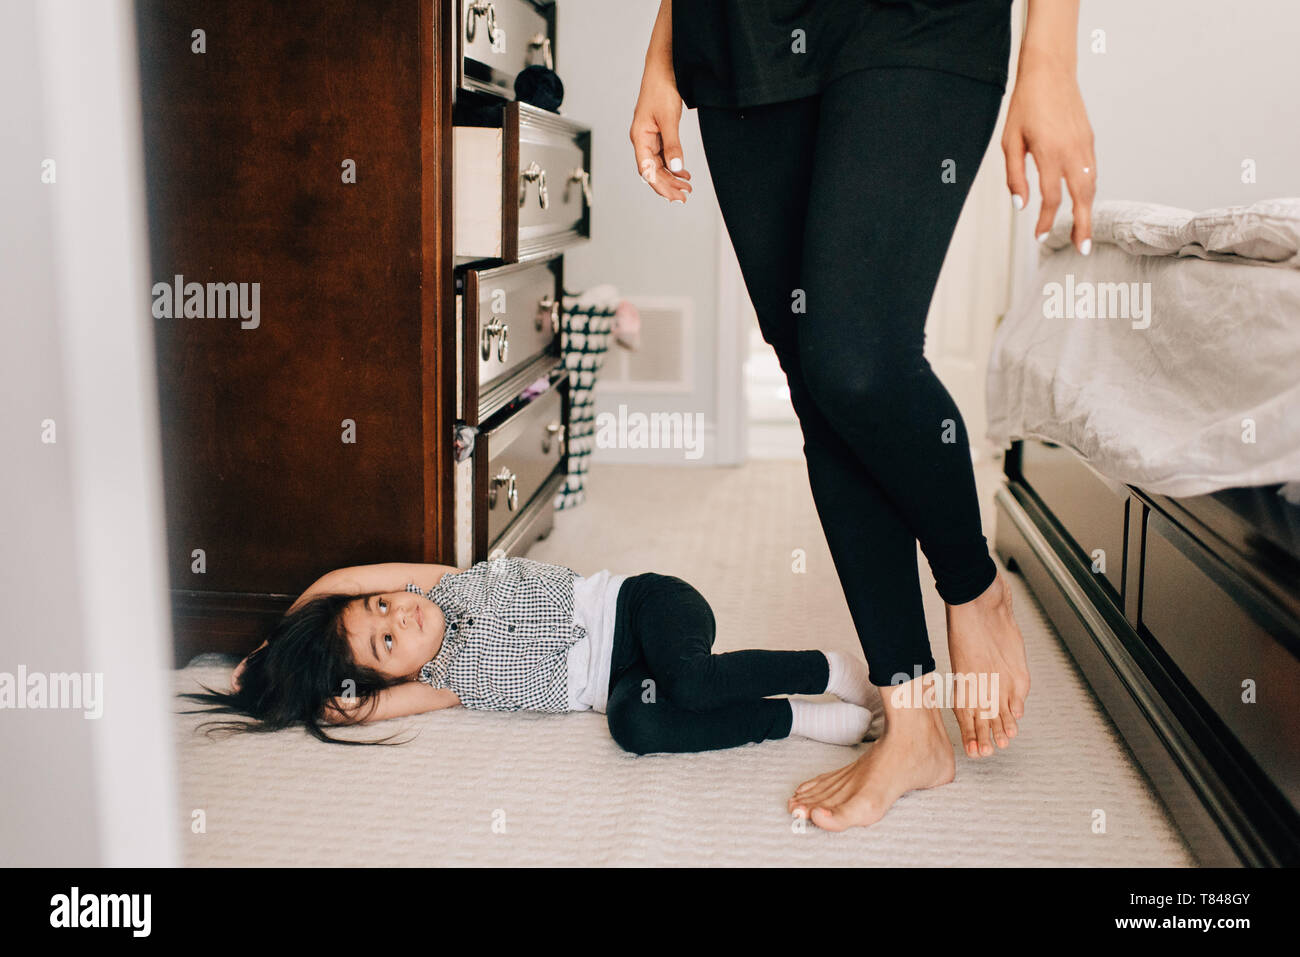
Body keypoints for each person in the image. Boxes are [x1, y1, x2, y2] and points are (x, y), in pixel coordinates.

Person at [629, 0, 1096, 829]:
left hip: (918, 19)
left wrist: (1050, 60)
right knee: (817, 383)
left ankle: (972, 582)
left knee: (855, 358)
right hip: (743, 31)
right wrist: (661, 54)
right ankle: (912, 723)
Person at [180, 556, 885, 753]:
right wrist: (291, 681)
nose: (398, 613)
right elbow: (353, 707)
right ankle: (792, 718)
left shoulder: (443, 586)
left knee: (693, 680)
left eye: (382, 606)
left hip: (648, 607)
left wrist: (278, 635)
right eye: (387, 641)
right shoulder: (448, 683)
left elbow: (342, 585)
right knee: (638, 727)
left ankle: (831, 670)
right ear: (393, 673)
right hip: (627, 681)